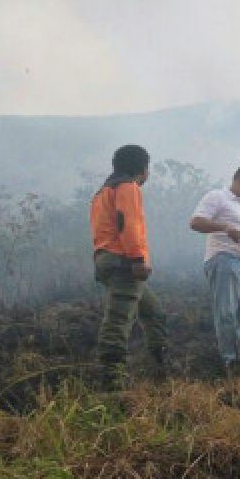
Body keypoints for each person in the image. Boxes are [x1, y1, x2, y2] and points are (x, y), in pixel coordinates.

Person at [91, 144, 166, 388]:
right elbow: (128, 224)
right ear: (143, 169)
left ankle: (157, 369)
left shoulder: (103, 191)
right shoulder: (127, 187)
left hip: (106, 259)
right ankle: (112, 385)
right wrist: (137, 260)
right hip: (124, 261)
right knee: (117, 322)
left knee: (154, 313)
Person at [189, 165, 240, 375]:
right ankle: (232, 361)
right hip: (225, 258)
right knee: (227, 312)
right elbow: (196, 222)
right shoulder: (217, 197)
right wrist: (224, 227)